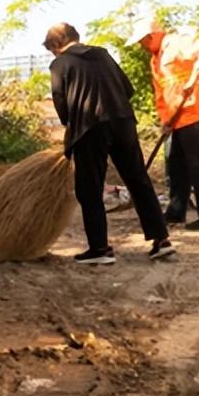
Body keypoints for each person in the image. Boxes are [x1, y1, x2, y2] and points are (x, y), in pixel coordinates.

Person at [45, 23, 174, 264]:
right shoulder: (103, 54)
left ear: (56, 45)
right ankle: (161, 241)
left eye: (51, 50)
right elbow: (127, 89)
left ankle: (100, 249)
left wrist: (69, 124)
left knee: (89, 188)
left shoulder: (59, 64)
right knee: (138, 180)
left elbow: (60, 102)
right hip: (123, 121)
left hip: (89, 127)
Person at [129, 17, 199, 230]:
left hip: (197, 112)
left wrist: (195, 79)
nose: (140, 46)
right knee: (176, 166)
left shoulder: (176, 44)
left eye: (141, 41)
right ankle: (176, 211)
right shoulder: (155, 60)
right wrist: (165, 121)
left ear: (150, 36)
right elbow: (162, 94)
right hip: (178, 118)